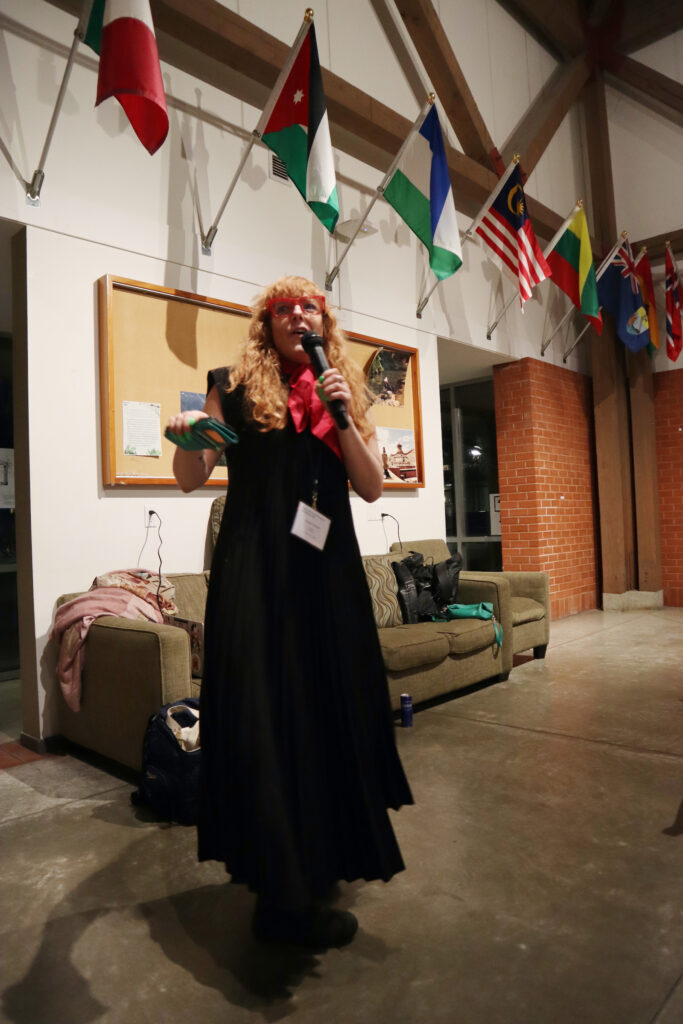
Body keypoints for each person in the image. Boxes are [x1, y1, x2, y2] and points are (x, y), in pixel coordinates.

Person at [167, 275, 413, 949]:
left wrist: (342, 415)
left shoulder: (342, 387)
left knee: (327, 710)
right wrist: (186, 436)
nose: (298, 316)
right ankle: (280, 893)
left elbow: (369, 487)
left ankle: (319, 854)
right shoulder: (234, 388)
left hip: (326, 576)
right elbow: (190, 476)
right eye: (285, 308)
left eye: (310, 308)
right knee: (267, 714)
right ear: (266, 323)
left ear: (324, 323)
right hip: (257, 573)